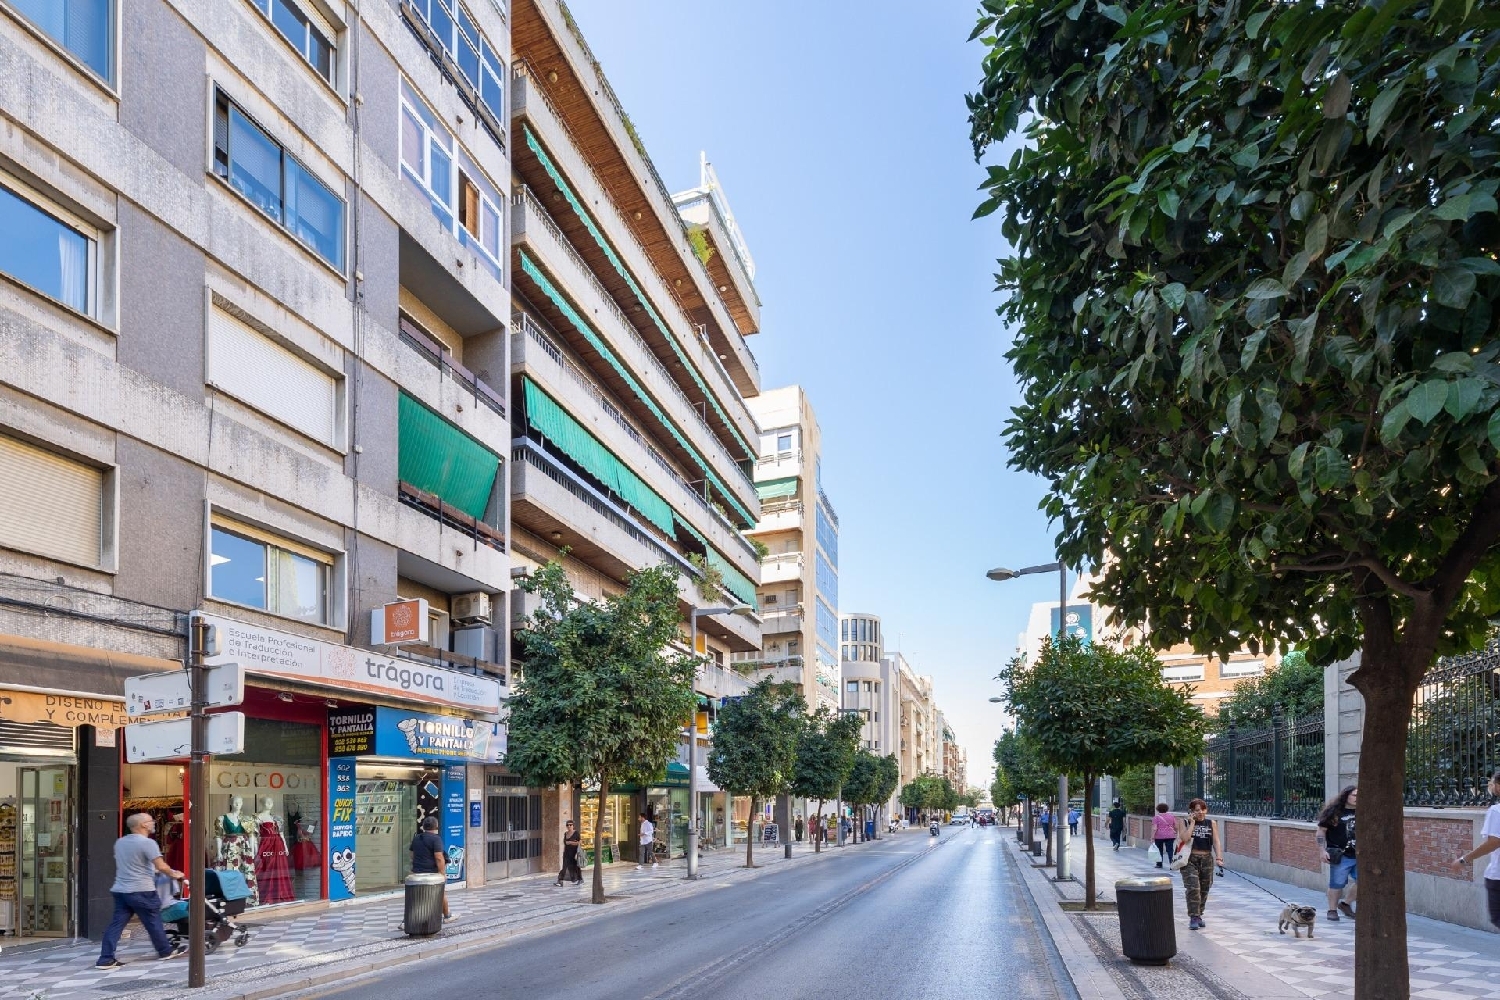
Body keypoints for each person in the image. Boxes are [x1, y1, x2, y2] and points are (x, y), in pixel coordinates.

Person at [97, 812, 189, 967]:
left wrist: (154, 871)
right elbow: (161, 865)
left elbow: (135, 864)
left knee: (116, 925)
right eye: (150, 821)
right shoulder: (148, 843)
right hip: (142, 889)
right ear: (142, 825)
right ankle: (165, 951)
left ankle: (105, 958)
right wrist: (175, 874)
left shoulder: (120, 842)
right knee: (153, 921)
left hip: (121, 890)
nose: (153, 822)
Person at [1450, 770, 1500, 930]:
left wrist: (1464, 859)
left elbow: (1493, 842)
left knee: (1497, 918)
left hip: (1498, 876)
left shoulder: (1496, 811)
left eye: (1492, 782)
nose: (1490, 786)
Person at [1175, 798, 1223, 930]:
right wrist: (1192, 823)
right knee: (1193, 888)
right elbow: (1185, 838)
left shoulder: (1211, 823)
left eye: (1203, 809)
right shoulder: (1183, 822)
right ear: (1191, 811)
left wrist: (1219, 857)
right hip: (1189, 859)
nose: (1201, 812)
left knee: (1204, 888)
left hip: (1207, 858)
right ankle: (1193, 916)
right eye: (1197, 810)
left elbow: (1216, 841)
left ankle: (1199, 914)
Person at [1316, 785, 1358, 922]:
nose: (1357, 798)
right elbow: (1321, 831)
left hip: (1360, 854)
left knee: (1365, 882)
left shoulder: (1364, 811)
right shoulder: (1334, 812)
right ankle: (1332, 910)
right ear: (1346, 795)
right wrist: (1322, 850)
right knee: (1337, 884)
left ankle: (1345, 904)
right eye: (1354, 795)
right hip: (1341, 854)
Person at [409, 815, 450, 920]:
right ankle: (447, 915)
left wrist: (415, 866)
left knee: (415, 897)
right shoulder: (436, 839)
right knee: (440, 893)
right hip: (432, 872)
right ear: (436, 827)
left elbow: (412, 855)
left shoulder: (416, 838)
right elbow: (439, 858)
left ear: (423, 826)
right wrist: (442, 874)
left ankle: (407, 920)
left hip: (417, 872)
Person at [556, 820, 582, 886]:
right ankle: (560, 880)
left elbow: (579, 842)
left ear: (573, 826)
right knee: (564, 866)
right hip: (567, 853)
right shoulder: (565, 833)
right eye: (567, 825)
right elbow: (565, 843)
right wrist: (564, 852)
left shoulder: (576, 833)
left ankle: (580, 879)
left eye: (570, 825)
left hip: (574, 853)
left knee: (576, 866)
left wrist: (570, 842)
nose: (569, 826)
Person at [1152, 803, 1177, 869]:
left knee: (1159, 850)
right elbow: (1175, 826)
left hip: (1159, 836)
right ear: (1166, 809)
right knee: (1170, 850)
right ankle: (1172, 865)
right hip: (1170, 835)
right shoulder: (1171, 816)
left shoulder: (1156, 817)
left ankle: (1159, 864)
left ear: (1158, 809)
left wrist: (1152, 836)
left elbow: (1155, 828)